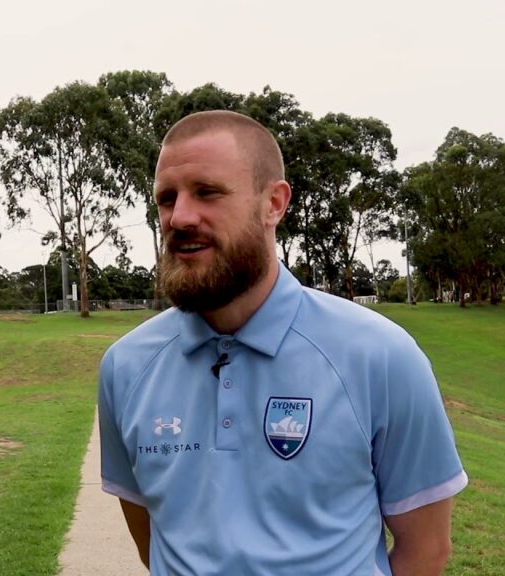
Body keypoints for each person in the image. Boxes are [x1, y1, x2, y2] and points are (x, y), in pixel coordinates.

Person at [98, 110, 467, 575]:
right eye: (166, 199)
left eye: (207, 192)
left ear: (273, 203)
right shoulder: (126, 367)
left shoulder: (381, 356)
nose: (179, 217)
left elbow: (426, 549)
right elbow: (152, 539)